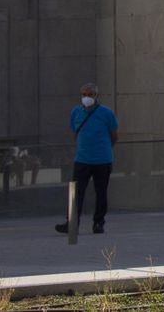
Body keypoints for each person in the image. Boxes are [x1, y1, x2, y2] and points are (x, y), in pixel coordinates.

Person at [54, 82, 118, 235]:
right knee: (75, 192)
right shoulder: (76, 112)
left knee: (101, 192)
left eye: (90, 95)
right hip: (82, 159)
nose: (87, 98)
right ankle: (71, 223)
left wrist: (106, 149)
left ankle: (98, 223)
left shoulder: (106, 113)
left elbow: (114, 135)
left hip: (102, 160)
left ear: (96, 96)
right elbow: (75, 131)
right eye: (84, 95)